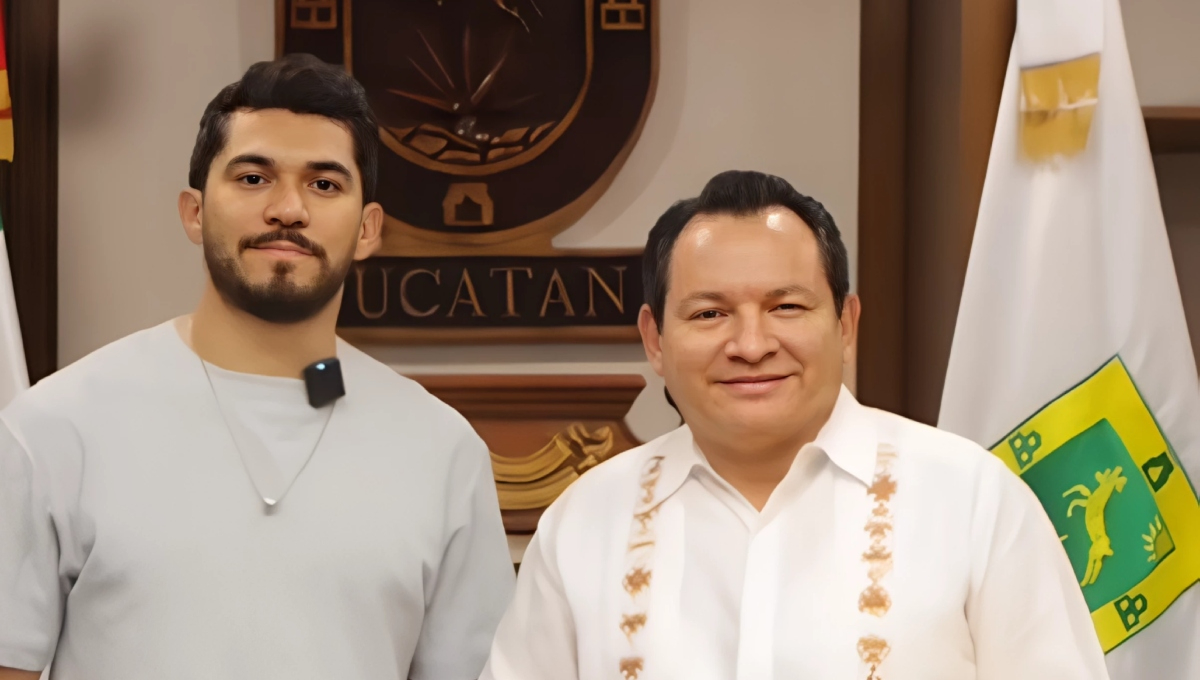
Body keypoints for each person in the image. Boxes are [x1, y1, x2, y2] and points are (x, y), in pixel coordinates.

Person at [0, 54, 514, 680]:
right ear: (193, 211)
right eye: (252, 178)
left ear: (367, 230)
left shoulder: (442, 451)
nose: (288, 209)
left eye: (324, 184)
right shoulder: (54, 428)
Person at [482, 170, 1109, 680]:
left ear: (845, 326)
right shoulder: (585, 521)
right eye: (709, 313)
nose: (751, 344)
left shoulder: (971, 498)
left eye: (787, 307)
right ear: (654, 339)